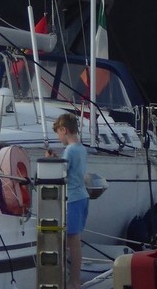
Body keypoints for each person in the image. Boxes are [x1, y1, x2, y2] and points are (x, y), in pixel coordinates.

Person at [49, 113, 88, 289]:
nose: (59, 138)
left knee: (72, 241)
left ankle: (74, 281)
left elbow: (62, 172)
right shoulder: (81, 148)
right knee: (72, 240)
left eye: (58, 133)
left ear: (64, 130)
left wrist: (50, 161)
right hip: (81, 196)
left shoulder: (70, 150)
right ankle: (70, 278)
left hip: (72, 198)